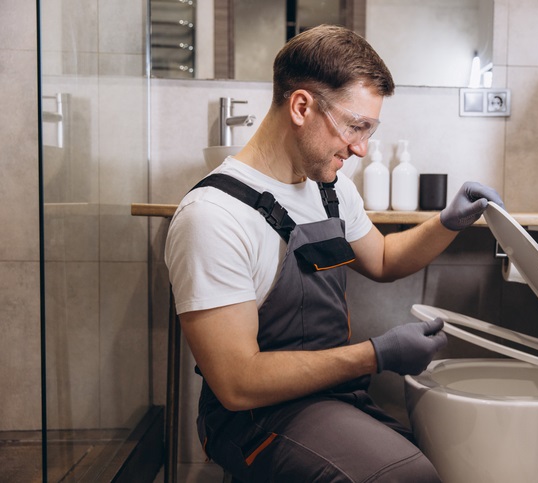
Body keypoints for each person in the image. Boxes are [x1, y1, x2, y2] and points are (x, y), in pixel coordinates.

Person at [165, 24, 503, 482]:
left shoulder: (330, 187)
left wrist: (448, 223)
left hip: (331, 394)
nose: (361, 148)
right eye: (354, 126)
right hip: (253, 420)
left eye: (370, 130)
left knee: (449, 456)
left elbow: (383, 259)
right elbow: (237, 383)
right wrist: (376, 354)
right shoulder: (213, 216)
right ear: (301, 106)